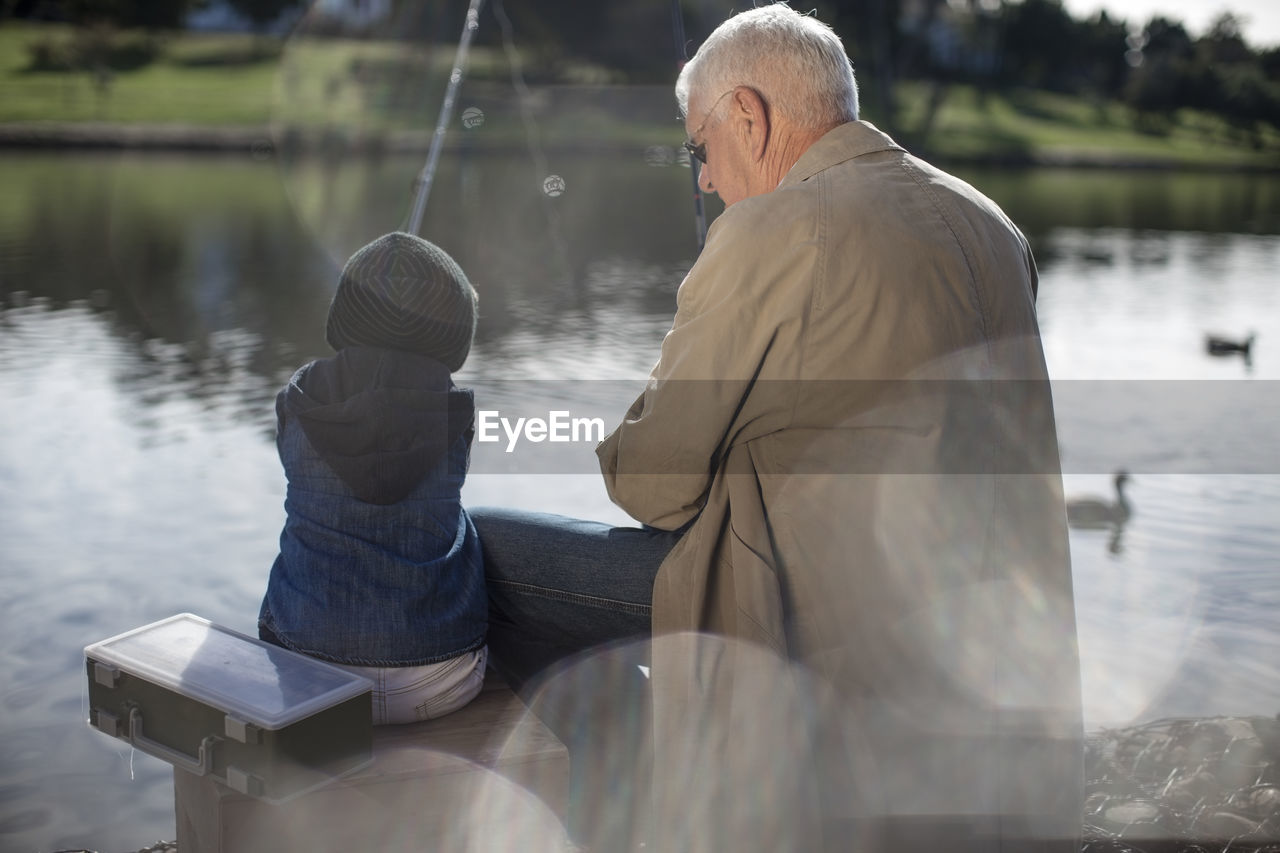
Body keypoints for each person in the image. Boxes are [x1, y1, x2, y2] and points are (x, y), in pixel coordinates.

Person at [473, 5, 1084, 850]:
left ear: (749, 119)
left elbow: (649, 483)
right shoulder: (992, 225)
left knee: (484, 549)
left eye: (700, 147)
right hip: (989, 666)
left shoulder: (771, 229)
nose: (704, 179)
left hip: (823, 639)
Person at [258, 231, 488, 725]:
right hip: (440, 679)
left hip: (304, 675)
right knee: (471, 525)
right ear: (454, 334)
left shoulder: (297, 398)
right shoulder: (456, 410)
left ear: (344, 316)